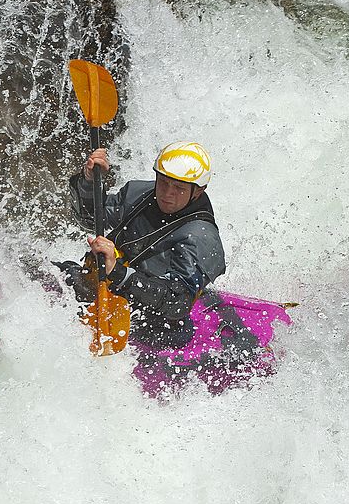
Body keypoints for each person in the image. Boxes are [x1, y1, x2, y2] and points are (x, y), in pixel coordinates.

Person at [56, 141, 226, 349]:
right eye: (163, 182)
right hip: (106, 291)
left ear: (198, 191)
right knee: (45, 273)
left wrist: (117, 272)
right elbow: (90, 218)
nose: (167, 193)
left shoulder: (200, 238)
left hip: (155, 322)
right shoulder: (139, 195)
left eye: (179, 188)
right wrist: (89, 182)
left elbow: (177, 304)